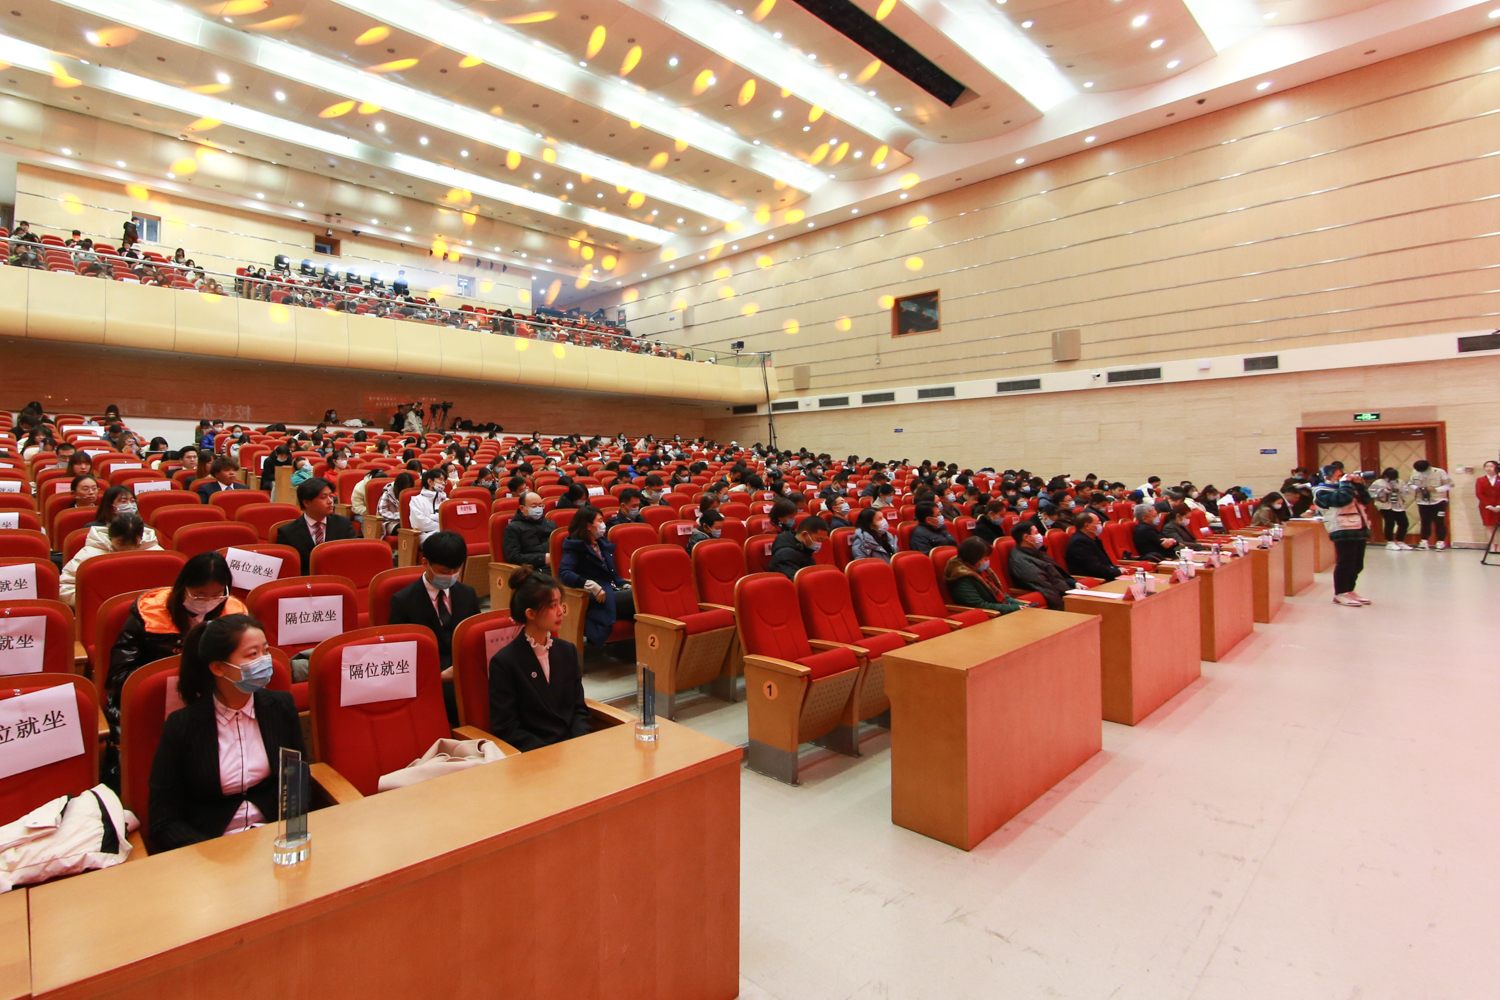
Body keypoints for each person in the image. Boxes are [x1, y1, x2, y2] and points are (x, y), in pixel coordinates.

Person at [146, 614, 303, 852]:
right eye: (252, 654)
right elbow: (164, 821)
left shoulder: (281, 706)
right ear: (218, 668)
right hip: (210, 846)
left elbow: (297, 782)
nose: (264, 661)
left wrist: (290, 839)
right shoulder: (182, 725)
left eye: (266, 651)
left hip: (275, 837)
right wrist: (213, 854)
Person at [108, 552, 247, 731]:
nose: (208, 601)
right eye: (200, 595)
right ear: (184, 587)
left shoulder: (234, 616)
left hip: (213, 706)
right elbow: (119, 676)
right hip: (154, 703)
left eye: (217, 595)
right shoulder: (149, 613)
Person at [487, 566, 589, 751]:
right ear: (531, 614)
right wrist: (548, 755)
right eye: (552, 606)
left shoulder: (567, 651)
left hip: (573, 749)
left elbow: (579, 709)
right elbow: (506, 727)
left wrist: (578, 744)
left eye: (560, 603)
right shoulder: (504, 662)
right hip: (535, 754)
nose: (561, 611)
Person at [388, 531, 481, 723]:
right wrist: (439, 676)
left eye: (456, 570)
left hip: (465, 669)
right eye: (444, 572)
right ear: (425, 563)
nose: (451, 576)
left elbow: (475, 638)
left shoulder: (467, 593)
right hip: (429, 675)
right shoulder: (403, 601)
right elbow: (398, 655)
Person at [558, 507, 632, 647]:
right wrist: (589, 584)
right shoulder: (575, 546)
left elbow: (612, 574)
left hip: (612, 591)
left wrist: (624, 584)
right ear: (589, 526)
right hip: (596, 597)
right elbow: (564, 573)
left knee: (640, 592)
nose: (603, 524)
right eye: (600, 521)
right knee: (640, 596)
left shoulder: (602, 544)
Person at [60, 513, 160, 606]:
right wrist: (94, 602)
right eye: (120, 542)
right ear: (111, 536)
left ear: (141, 538)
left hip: (149, 608)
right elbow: (65, 587)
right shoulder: (89, 554)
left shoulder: (156, 554)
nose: (126, 548)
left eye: (132, 543)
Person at [273, 477, 357, 575]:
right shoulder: (288, 532)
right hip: (305, 581)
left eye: (331, 496)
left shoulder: (343, 523)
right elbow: (284, 568)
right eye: (323, 497)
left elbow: (354, 555)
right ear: (306, 502)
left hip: (337, 578)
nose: (330, 501)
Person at [1314, 466, 1372, 606]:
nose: (1342, 477)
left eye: (1342, 475)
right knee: (1345, 563)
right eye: (1338, 475)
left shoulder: (1347, 487)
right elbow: (1342, 500)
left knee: (1357, 564)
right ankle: (1340, 593)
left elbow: (1366, 500)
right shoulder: (1321, 490)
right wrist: (1345, 483)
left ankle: (1349, 590)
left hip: (1358, 527)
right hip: (1341, 528)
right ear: (1327, 477)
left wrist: (1358, 485)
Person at [944, 538, 1025, 615]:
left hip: (1001, 611)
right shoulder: (962, 578)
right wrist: (1013, 608)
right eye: (985, 559)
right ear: (973, 559)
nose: (988, 561)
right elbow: (979, 605)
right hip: (988, 617)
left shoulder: (981, 571)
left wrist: (1019, 605)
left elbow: (1000, 593)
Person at [1008, 522, 1077, 611]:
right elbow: (1046, 588)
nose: (1040, 536)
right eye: (1036, 533)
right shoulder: (1020, 560)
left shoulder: (1036, 551)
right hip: (1054, 603)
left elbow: (1056, 575)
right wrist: (1068, 607)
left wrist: (1074, 584)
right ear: (1026, 537)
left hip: (1064, 592)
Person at [1065, 511, 1122, 582]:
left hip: (1105, 576)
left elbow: (1105, 563)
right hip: (1097, 581)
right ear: (1087, 526)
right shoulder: (1079, 542)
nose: (1100, 525)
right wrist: (1118, 572)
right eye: (1098, 523)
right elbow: (1095, 568)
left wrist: (1118, 569)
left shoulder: (1093, 538)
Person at [1409, 459, 1454, 550]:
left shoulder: (1440, 472)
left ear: (1429, 467)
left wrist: (1436, 489)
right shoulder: (1415, 473)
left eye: (1424, 471)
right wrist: (1417, 488)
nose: (1422, 473)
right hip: (1422, 501)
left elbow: (1450, 485)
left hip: (1439, 500)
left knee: (1439, 521)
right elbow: (1410, 484)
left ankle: (1440, 542)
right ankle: (1424, 541)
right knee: (1425, 521)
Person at [767, 515, 828, 580]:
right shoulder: (785, 556)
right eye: (819, 539)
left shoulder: (803, 548)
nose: (820, 544)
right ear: (804, 535)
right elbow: (796, 582)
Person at [503, 492, 552, 569]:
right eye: (534, 506)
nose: (538, 509)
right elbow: (513, 557)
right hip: (532, 569)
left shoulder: (550, 524)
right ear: (522, 508)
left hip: (555, 566)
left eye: (540, 505)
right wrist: (542, 559)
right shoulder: (513, 528)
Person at [1369, 469, 1414, 550]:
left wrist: (1400, 491)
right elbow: (1371, 493)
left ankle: (1400, 541)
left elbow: (1406, 492)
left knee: (1404, 523)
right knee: (1390, 522)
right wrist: (1383, 491)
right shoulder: (1378, 482)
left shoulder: (1400, 482)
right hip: (1384, 505)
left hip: (1397, 504)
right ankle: (1390, 542)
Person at [407, 468, 447, 542]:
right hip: (426, 536)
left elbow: (451, 520)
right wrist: (442, 525)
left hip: (446, 534)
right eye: (440, 480)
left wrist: (431, 517)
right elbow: (419, 523)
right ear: (430, 481)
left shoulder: (446, 501)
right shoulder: (416, 500)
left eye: (444, 481)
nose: (443, 483)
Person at [1477, 460, 1500, 533]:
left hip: (1499, 505)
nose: (1489, 468)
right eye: (1486, 466)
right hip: (1486, 507)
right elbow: (1479, 493)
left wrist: (1498, 506)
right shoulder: (1480, 480)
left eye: (1491, 466)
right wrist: (1489, 506)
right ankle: (1491, 541)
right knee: (1489, 526)